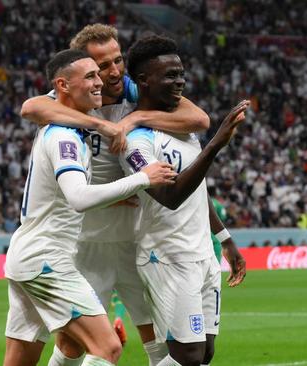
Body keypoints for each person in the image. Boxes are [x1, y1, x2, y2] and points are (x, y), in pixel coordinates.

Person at [20, 24, 211, 366]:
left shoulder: (133, 90)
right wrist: (103, 125)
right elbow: (31, 108)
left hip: (136, 236)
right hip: (88, 237)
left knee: (158, 334)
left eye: (117, 61)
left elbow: (198, 118)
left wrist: (136, 117)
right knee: (74, 343)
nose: (113, 72)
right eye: (101, 66)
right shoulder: (70, 99)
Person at [3, 49, 177, 366]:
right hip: (46, 258)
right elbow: (79, 198)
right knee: (107, 348)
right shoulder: (65, 137)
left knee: (23, 359)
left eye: (98, 75)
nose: (100, 82)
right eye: (90, 76)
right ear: (62, 85)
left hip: (28, 254)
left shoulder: (72, 132)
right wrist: (142, 179)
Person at [119, 35, 247, 366]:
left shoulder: (183, 128)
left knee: (205, 353)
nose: (180, 82)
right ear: (144, 81)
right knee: (187, 355)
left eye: (181, 73)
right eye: (170, 75)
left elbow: (197, 188)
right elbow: (169, 197)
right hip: (168, 256)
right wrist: (214, 146)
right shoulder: (135, 141)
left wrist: (225, 239)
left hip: (203, 252)